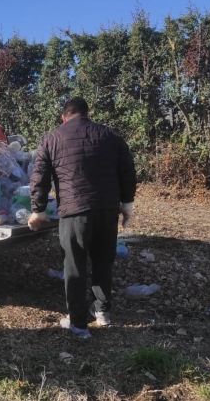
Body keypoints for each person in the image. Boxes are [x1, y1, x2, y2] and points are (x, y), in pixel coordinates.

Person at [27, 97, 136, 339]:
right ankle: (102, 313)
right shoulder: (111, 136)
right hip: (107, 210)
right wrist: (126, 204)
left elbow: (39, 178)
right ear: (87, 114)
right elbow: (128, 171)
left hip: (75, 212)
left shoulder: (52, 138)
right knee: (103, 262)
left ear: (64, 117)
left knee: (74, 267)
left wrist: (38, 210)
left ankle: (78, 324)